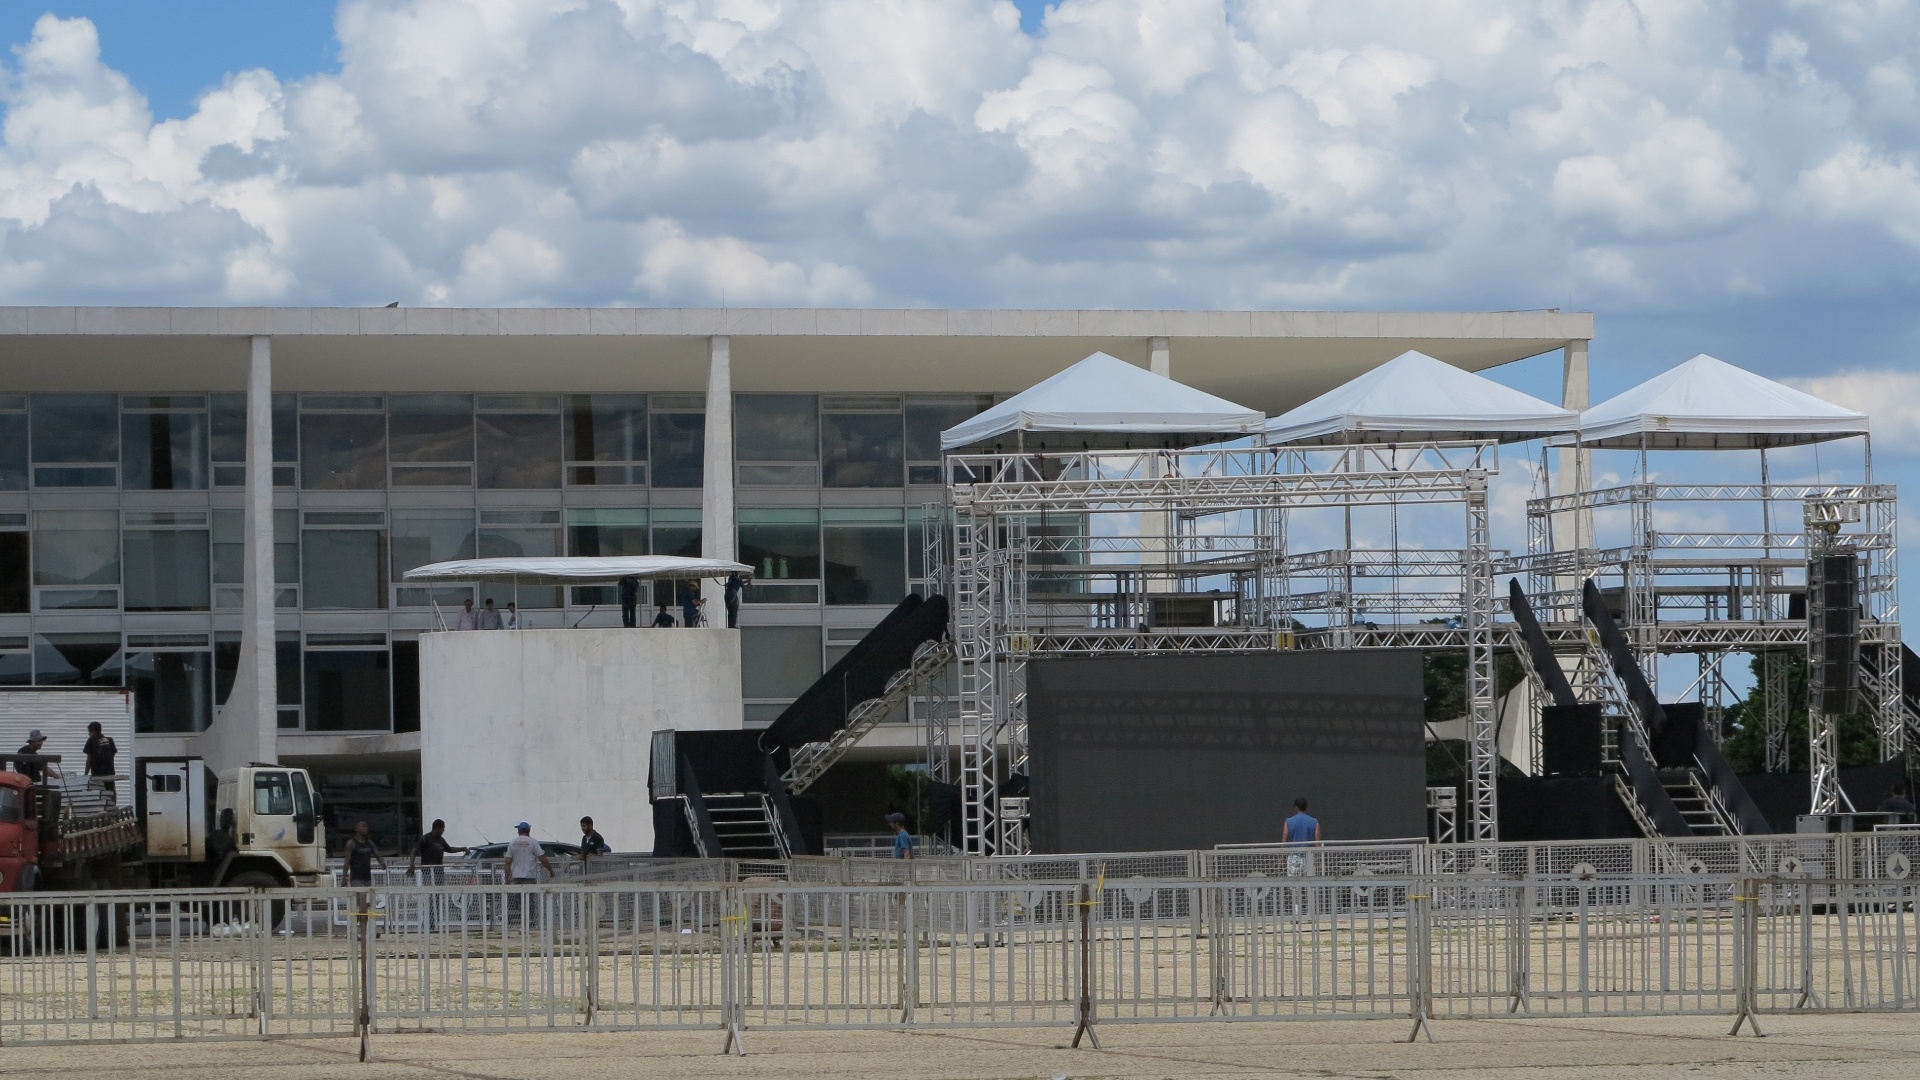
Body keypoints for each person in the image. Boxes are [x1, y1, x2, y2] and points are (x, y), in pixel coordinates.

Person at [343, 820, 386, 887]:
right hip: (356, 878)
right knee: (361, 895)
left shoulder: (369, 843)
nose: (366, 828)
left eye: (366, 826)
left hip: (367, 877)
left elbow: (377, 854)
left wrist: (382, 862)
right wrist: (344, 879)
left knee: (366, 896)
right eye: (363, 826)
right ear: (357, 828)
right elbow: (347, 862)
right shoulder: (351, 843)